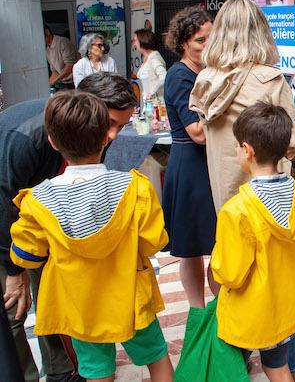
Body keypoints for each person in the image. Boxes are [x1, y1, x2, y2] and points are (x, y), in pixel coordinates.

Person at [189, 0, 295, 382]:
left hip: (230, 200)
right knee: (277, 279)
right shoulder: (270, 80)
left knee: (232, 272)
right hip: (273, 198)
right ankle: (285, 363)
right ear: (260, 32)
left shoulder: (205, 81)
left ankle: (237, 354)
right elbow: (292, 142)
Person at [10, 91, 173, 382]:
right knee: (156, 357)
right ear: (105, 138)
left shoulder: (37, 200)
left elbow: (27, 256)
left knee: (97, 372)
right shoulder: (134, 187)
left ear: (52, 141)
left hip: (80, 306)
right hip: (131, 299)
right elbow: (154, 242)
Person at [211, 102, 295, 382]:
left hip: (246, 314)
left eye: (237, 147)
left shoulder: (237, 210)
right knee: (277, 368)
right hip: (284, 309)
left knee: (230, 370)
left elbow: (230, 274)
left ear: (248, 151)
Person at [161, 6, 217, 309]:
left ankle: (222, 310)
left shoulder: (209, 72)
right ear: (183, 42)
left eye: (211, 39)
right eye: (199, 40)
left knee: (219, 246)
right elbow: (196, 131)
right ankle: (198, 311)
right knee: (193, 247)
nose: (206, 46)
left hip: (210, 163)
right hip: (191, 165)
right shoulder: (178, 76)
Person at [133, 28, 167, 98]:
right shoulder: (147, 58)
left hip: (156, 104)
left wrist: (152, 91)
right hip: (149, 103)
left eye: (135, 40)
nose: (134, 44)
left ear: (143, 40)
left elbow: (164, 77)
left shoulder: (154, 58)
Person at [45, 25, 80, 90]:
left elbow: (70, 66)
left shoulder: (63, 42)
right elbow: (54, 71)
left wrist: (54, 81)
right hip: (64, 83)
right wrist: (47, 85)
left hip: (74, 81)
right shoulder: (48, 49)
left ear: (47, 32)